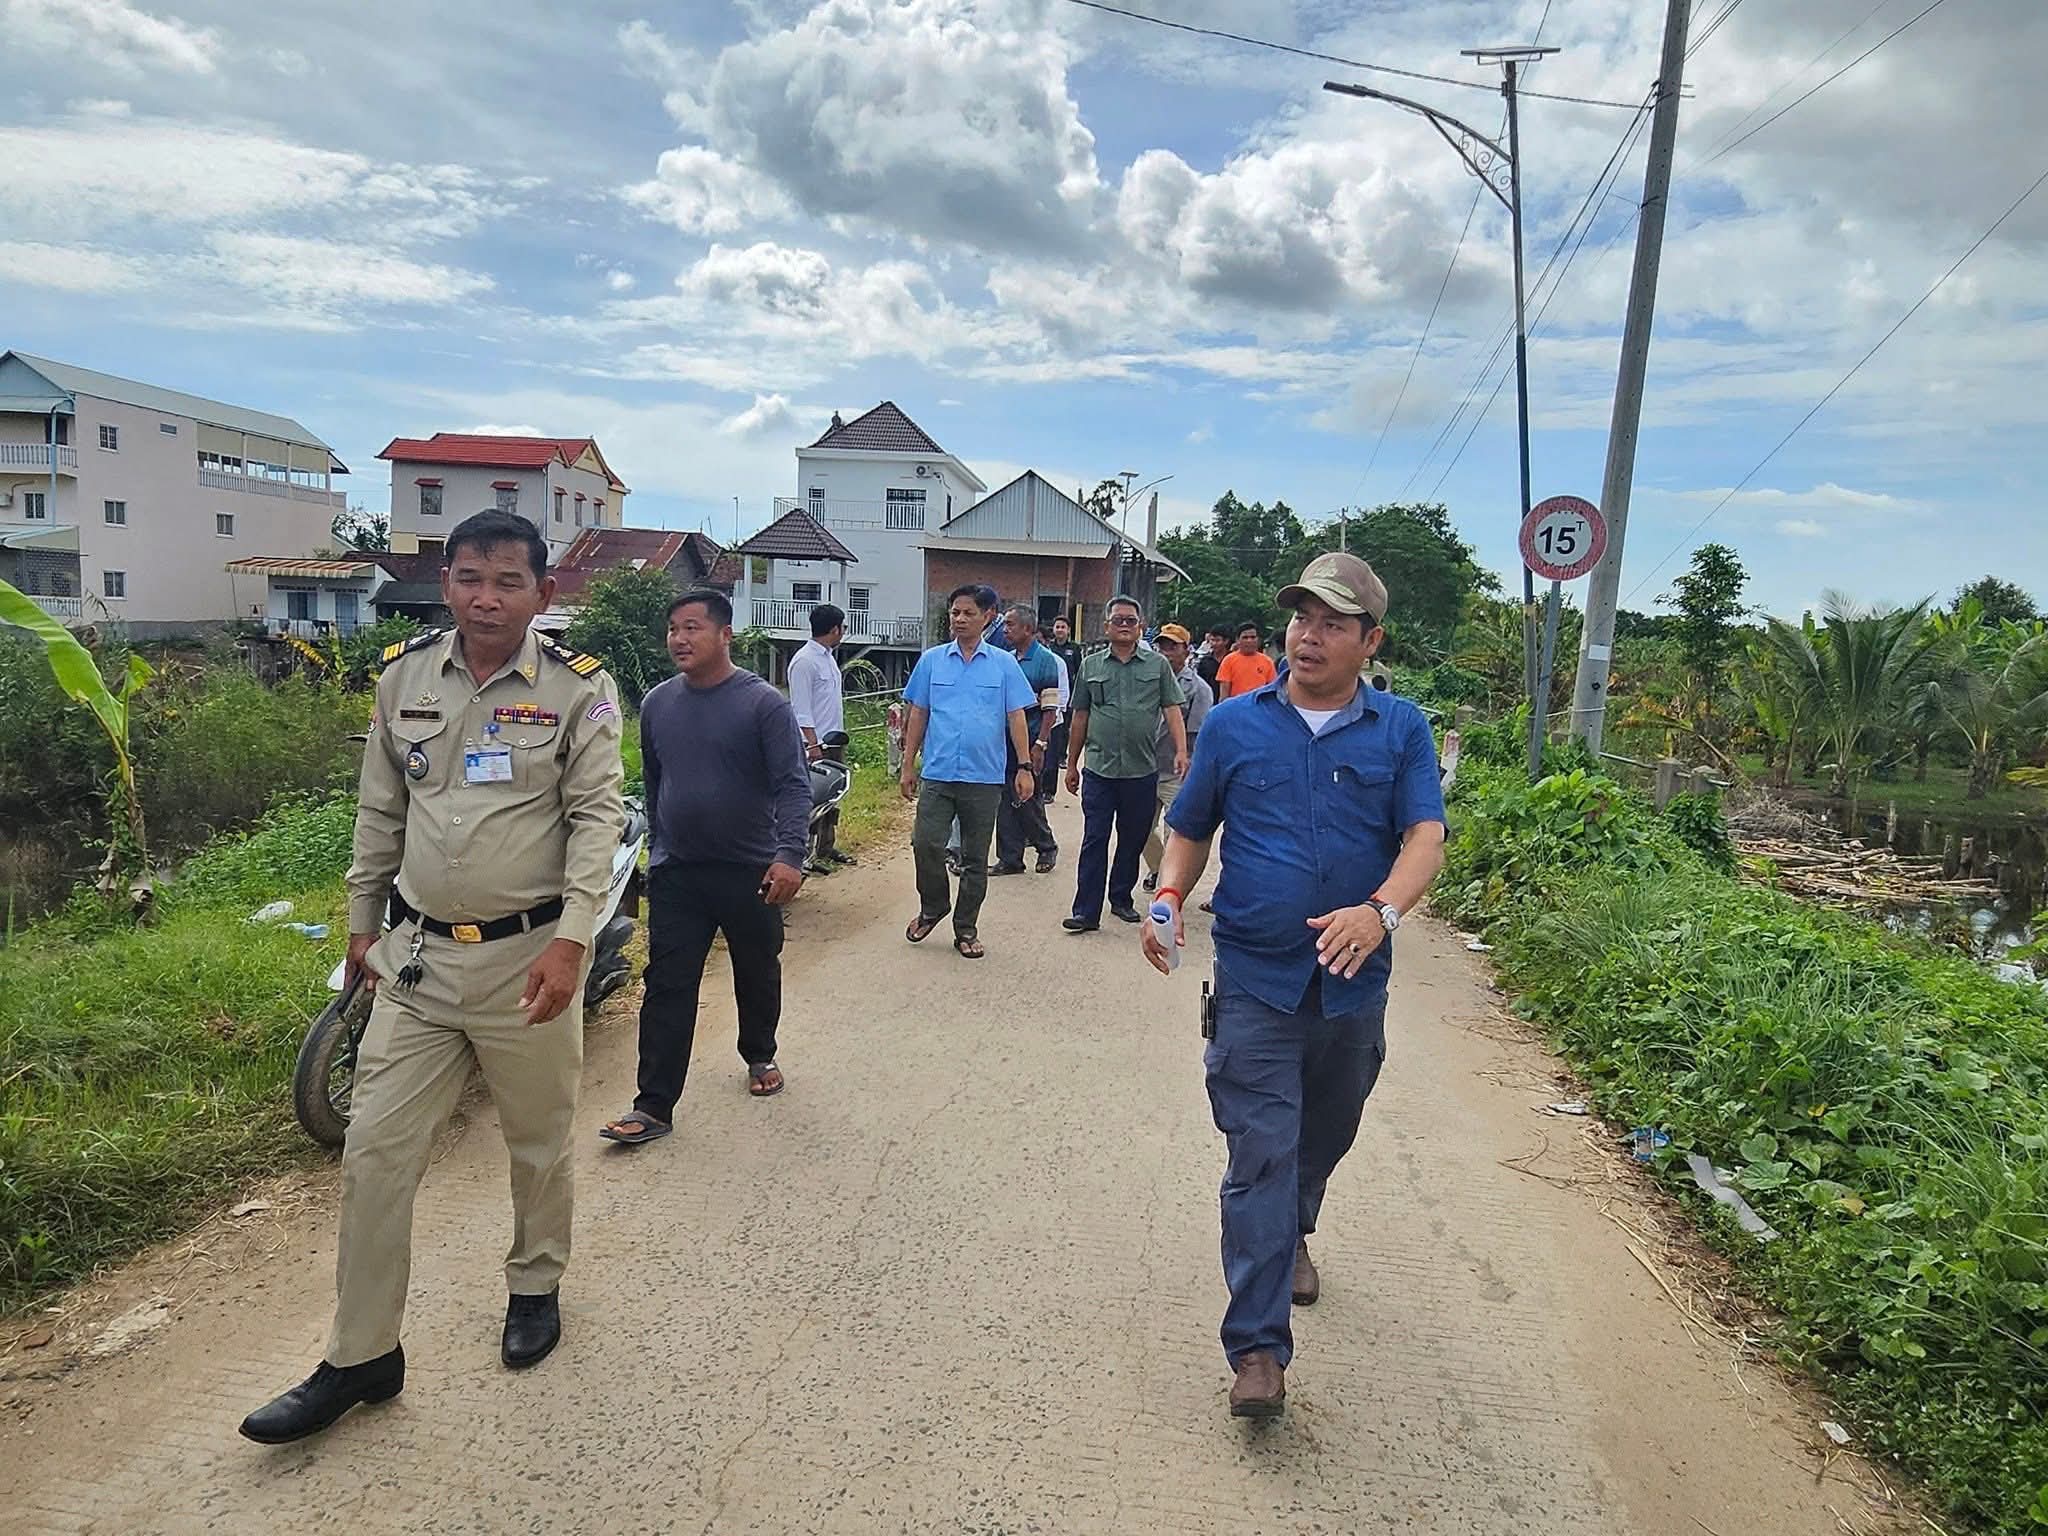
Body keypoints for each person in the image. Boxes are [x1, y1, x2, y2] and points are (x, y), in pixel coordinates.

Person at [239, 510, 624, 1444]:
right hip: (417, 959)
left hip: (527, 962)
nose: (486, 598)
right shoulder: (402, 678)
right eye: (469, 578)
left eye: (507, 581)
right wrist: (360, 923)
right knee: (374, 1153)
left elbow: (595, 821)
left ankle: (534, 1283)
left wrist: (573, 942)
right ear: (445, 582)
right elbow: (380, 812)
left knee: (536, 1141)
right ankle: (362, 1354)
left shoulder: (579, 689)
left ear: (543, 592)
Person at [1143, 551, 1446, 1421]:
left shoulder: (1401, 730)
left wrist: (1380, 913)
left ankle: (1295, 1225)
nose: (1308, 637)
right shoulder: (1237, 726)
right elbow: (1190, 828)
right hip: (1255, 980)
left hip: (1353, 986)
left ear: (1369, 641)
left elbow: (1425, 838)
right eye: (1301, 619)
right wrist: (1168, 896)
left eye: (1332, 624)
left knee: (1326, 1133)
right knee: (1260, 1153)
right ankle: (1258, 1349)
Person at [597, 588, 811, 1146]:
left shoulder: (764, 705)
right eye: (673, 628)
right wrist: (659, 849)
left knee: (756, 969)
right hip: (679, 872)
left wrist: (789, 855)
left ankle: (759, 1052)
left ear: (725, 635)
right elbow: (656, 782)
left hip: (751, 869)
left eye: (692, 627)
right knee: (667, 983)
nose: (679, 639)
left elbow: (792, 785)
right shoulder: (658, 704)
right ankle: (653, 1104)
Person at [901, 584, 1036, 960]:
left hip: (984, 777)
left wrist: (1024, 766)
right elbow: (918, 713)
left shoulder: (1003, 664)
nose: (959, 619)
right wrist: (908, 764)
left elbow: (1016, 717)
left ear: (987, 617)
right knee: (925, 843)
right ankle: (933, 906)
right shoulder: (932, 661)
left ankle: (966, 929)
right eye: (955, 613)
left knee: (975, 858)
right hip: (939, 772)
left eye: (968, 613)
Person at [1062, 595, 1186, 933]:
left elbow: (1172, 708)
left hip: (1140, 770)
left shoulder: (1157, 666)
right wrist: (1071, 764)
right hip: (1099, 770)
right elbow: (1080, 716)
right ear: (1107, 626)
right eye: (1118, 620)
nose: (1125, 626)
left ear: (1141, 627)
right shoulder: (1091, 666)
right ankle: (1086, 911)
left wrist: (1181, 750)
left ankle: (1120, 898)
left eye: (1131, 621)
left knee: (1132, 839)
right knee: (1095, 838)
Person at [991, 606, 1063, 876]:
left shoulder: (1045, 660)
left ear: (1028, 629)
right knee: (1006, 798)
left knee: (1027, 797)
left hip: (1031, 737)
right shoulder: (1007, 659)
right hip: (1005, 739)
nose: (1005, 630)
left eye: (1010, 625)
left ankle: (1046, 845)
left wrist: (1041, 743)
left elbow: (1050, 708)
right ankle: (1010, 858)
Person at [1141, 623, 1212, 893]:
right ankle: (1159, 869)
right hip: (1145, 767)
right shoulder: (1146, 680)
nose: (1167, 651)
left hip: (1177, 770)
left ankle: (1169, 887)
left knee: (1175, 831)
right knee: (1139, 829)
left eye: (1173, 646)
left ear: (1187, 649)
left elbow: (1198, 734)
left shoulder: (1198, 689)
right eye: (1163, 646)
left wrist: (1193, 767)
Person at [787, 603, 855, 872]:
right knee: (811, 799)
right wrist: (812, 743)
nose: (843, 632)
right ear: (835, 629)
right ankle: (803, 854)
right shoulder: (804, 661)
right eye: (842, 628)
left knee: (833, 796)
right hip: (814, 744)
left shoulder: (827, 658)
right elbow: (801, 709)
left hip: (833, 739)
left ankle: (826, 847)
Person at [1044, 614, 1084, 802]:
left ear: (1068, 630)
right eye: (1057, 627)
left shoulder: (1074, 649)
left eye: (1063, 627)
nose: (1059, 630)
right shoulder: (1049, 649)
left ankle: (1062, 755)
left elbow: (1078, 671)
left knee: (1064, 730)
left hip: (1067, 697)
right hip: (1050, 698)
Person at [1214, 620, 1278, 699]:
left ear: (1258, 640)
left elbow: (1272, 689)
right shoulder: (1228, 660)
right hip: (1236, 705)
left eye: (1253, 637)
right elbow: (1224, 693)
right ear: (1237, 640)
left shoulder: (1267, 661)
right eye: (1245, 637)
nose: (1249, 641)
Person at [1197, 623, 1230, 694]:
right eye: (1212, 640)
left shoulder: (1232, 659)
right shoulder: (1205, 661)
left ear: (1226, 641)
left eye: (1217, 640)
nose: (1214, 643)